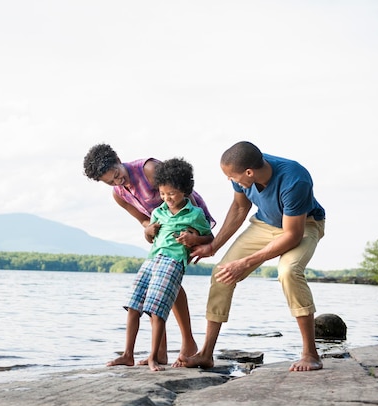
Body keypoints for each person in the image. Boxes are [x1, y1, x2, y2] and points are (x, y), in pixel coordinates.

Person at [181, 141, 326, 372]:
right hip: (265, 223)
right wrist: (213, 247)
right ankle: (206, 354)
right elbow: (239, 208)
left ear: (249, 172)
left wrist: (247, 262)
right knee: (222, 273)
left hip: (303, 225)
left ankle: (311, 353)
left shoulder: (295, 179)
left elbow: (292, 235)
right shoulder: (242, 167)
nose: (231, 180)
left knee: (288, 271)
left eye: (232, 177)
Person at [83, 143, 216, 366]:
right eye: (110, 182)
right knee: (157, 289)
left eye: (116, 174)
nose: (117, 182)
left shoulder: (148, 169)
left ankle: (187, 343)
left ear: (118, 159)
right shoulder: (119, 194)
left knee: (167, 285)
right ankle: (160, 352)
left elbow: (184, 193)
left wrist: (192, 232)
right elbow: (143, 219)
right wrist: (147, 228)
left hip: (186, 223)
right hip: (162, 232)